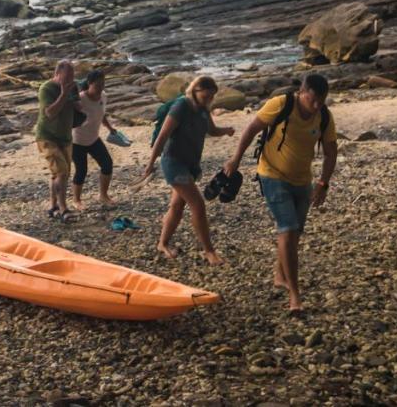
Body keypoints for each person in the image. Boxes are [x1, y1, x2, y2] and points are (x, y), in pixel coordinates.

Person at [222, 74, 338, 314]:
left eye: (321, 101)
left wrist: (323, 183)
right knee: (287, 229)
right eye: (313, 100)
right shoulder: (281, 104)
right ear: (302, 92)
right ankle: (295, 295)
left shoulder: (324, 116)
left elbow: (330, 151)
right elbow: (251, 129)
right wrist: (235, 159)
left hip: (302, 181)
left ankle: (279, 275)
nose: (317, 106)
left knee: (293, 235)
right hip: (272, 174)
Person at [142, 76, 234, 265]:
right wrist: (150, 164)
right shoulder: (181, 106)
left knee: (177, 206)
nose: (208, 100)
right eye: (206, 96)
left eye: (211, 97)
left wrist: (227, 130)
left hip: (190, 165)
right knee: (198, 205)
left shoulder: (202, 109)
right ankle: (209, 251)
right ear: (195, 90)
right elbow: (163, 136)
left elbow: (212, 130)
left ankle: (162, 243)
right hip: (174, 163)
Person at [36, 60, 79, 222]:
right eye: (67, 76)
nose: (70, 79)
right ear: (57, 74)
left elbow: (78, 106)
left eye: (72, 76)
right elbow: (50, 113)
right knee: (61, 171)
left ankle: (52, 206)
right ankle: (63, 209)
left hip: (65, 136)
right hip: (47, 135)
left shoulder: (73, 86)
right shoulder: (46, 88)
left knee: (61, 173)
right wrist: (63, 94)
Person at [71, 70, 117, 210]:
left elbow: (101, 114)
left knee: (107, 164)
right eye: (97, 84)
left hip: (94, 138)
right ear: (90, 84)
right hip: (77, 141)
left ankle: (103, 195)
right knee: (81, 170)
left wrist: (110, 128)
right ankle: (76, 200)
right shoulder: (80, 99)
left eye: (103, 84)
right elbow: (69, 117)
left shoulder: (103, 96)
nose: (100, 87)